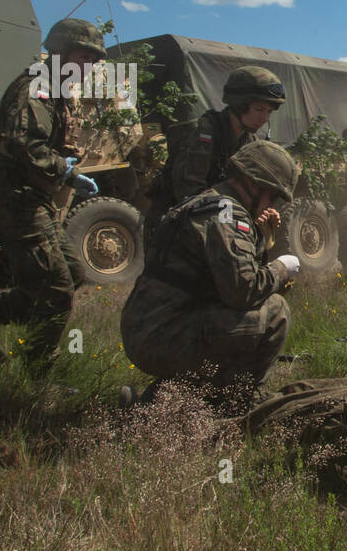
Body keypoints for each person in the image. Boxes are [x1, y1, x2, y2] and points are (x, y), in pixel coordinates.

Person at [0, 18, 103, 371]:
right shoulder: (36, 86)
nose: (89, 68)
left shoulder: (57, 91)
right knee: (55, 289)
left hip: (31, 196)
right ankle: (37, 373)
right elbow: (23, 142)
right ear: (60, 52)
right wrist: (64, 169)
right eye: (84, 58)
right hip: (13, 195)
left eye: (93, 61)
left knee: (71, 273)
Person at [119, 140, 301, 412]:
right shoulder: (227, 216)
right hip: (164, 334)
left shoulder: (208, 203)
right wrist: (282, 268)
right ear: (255, 184)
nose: (271, 204)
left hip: (149, 329)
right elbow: (244, 291)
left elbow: (228, 278)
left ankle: (153, 403)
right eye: (272, 196)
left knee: (238, 323)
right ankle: (241, 401)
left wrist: (263, 238)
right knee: (275, 312)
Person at [141, 66, 286, 241]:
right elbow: (189, 195)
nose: (264, 118)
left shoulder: (250, 143)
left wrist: (262, 211)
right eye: (259, 109)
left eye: (269, 112)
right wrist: (230, 220)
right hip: (175, 231)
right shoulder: (202, 134)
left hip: (215, 225)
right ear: (239, 105)